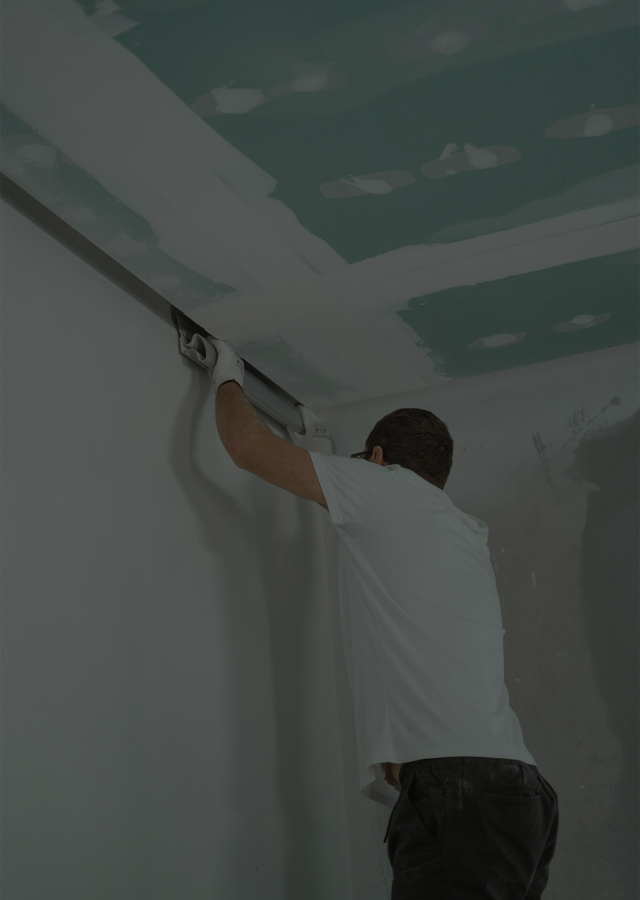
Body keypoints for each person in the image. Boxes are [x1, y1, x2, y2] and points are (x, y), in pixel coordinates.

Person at [208, 338, 559, 899]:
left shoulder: (386, 488)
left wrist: (226, 377)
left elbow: (247, 448)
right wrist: (317, 444)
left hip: (460, 789)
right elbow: (341, 517)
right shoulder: (459, 528)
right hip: (520, 794)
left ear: (375, 458)